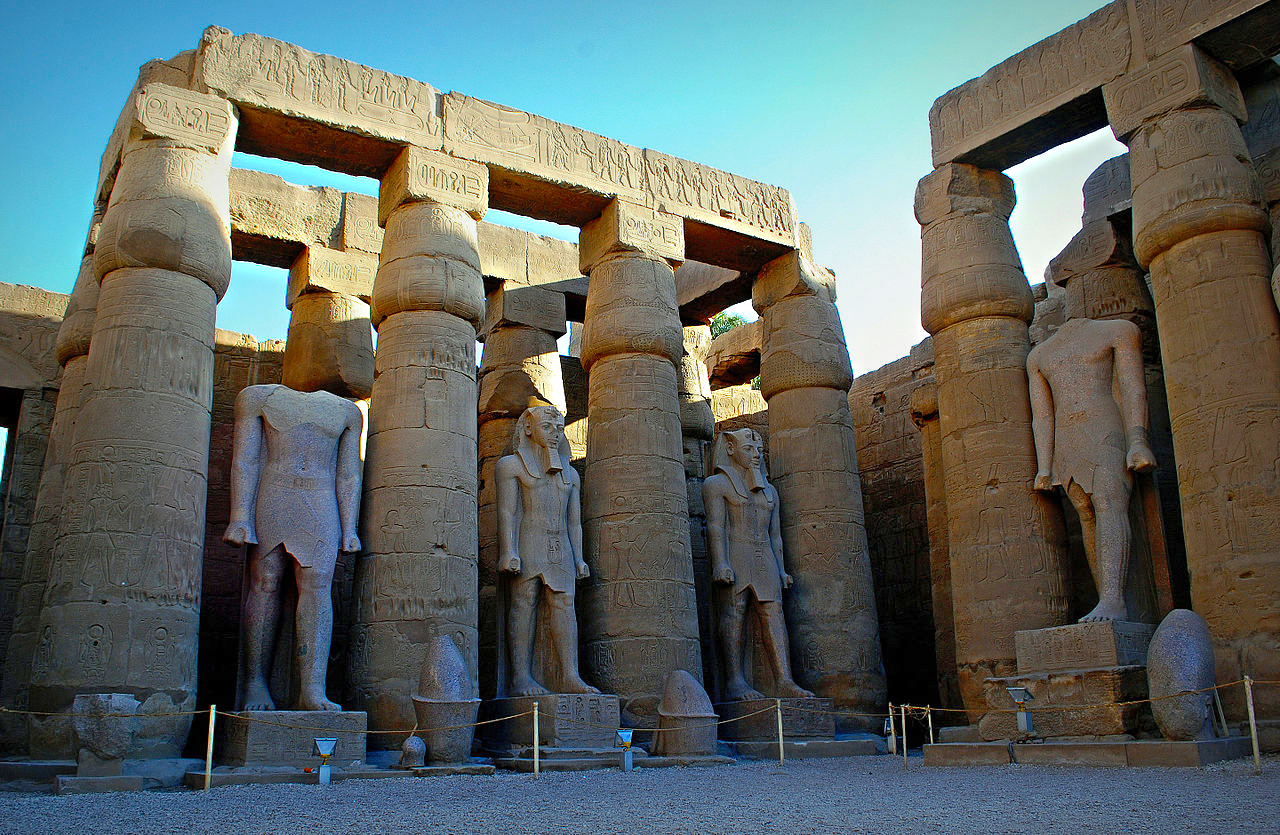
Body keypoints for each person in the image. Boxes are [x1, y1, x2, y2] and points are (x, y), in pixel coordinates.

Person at [224, 384, 363, 711]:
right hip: (275, 491)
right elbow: (245, 460)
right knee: (264, 581)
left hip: (320, 497)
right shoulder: (256, 397)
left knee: (318, 587)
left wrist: (349, 527)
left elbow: (348, 475)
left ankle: (312, 689)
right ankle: (255, 683)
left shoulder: (347, 412)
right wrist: (239, 515)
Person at [1027, 313, 1156, 622]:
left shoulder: (1118, 331)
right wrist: (1044, 465)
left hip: (1106, 429)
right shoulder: (1039, 356)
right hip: (1067, 441)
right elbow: (1043, 416)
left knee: (1110, 505)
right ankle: (1106, 599)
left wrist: (1138, 440)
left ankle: (1114, 601)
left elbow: (1131, 387)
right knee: (1086, 514)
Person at [703, 428, 813, 700]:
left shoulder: (770, 491)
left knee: (774, 614)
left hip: (765, 556)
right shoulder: (717, 484)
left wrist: (783, 568)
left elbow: (775, 535)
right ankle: (735, 682)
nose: (755, 455)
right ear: (730, 449)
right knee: (734, 612)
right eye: (748, 449)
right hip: (736, 553)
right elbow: (716, 526)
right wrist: (720, 563)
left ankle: (784, 680)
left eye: (759, 451)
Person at [495, 406, 598, 696]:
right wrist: (509, 550)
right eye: (548, 427)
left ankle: (569, 675)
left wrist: (579, 558)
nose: (555, 434)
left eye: (560, 429)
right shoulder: (511, 466)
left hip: (561, 545)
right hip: (529, 541)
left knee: (565, 604)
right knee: (524, 601)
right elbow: (508, 512)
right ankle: (521, 677)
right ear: (528, 429)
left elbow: (574, 522)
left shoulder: (571, 475)